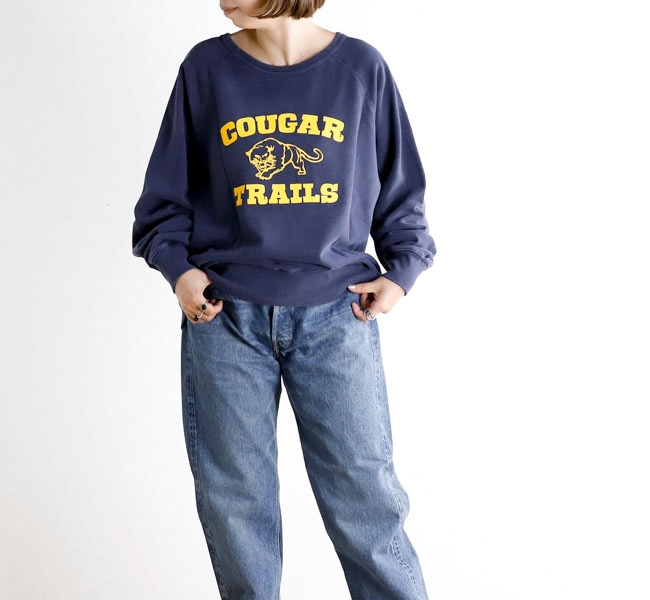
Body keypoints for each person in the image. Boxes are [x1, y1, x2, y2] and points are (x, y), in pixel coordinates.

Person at [131, 1, 436, 598]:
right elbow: (165, 195)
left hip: (338, 316)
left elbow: (400, 187)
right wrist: (178, 271)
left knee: (366, 500)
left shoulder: (360, 69)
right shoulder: (206, 70)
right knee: (236, 506)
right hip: (225, 318)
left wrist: (402, 272)